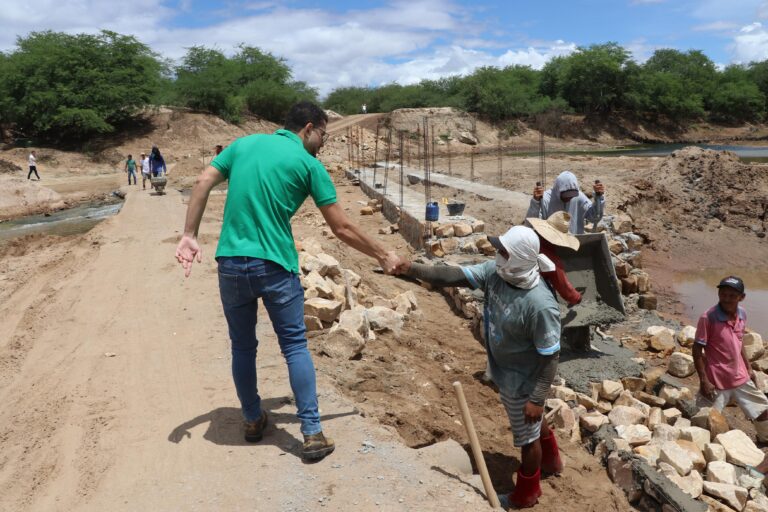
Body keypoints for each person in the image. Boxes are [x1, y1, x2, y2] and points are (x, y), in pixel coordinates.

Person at [175, 101, 401, 462]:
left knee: (242, 346)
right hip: (275, 265)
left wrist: (189, 234)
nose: (324, 143)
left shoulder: (244, 145)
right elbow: (341, 227)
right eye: (323, 134)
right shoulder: (309, 165)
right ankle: (311, 432)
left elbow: (203, 180)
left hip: (231, 263)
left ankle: (252, 419)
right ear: (308, 128)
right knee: (294, 346)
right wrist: (384, 254)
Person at [395, 226, 562, 508]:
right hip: (505, 371)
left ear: (519, 258)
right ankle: (553, 461)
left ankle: (527, 493)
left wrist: (536, 398)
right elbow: (454, 275)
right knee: (531, 424)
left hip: (524, 380)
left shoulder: (539, 305)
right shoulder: (497, 274)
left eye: (504, 251)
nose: (497, 255)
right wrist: (411, 268)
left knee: (526, 438)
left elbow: (550, 356)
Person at [693, 276, 768, 442]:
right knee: (704, 424)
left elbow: (738, 341)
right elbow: (697, 349)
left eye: (732, 296)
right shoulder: (708, 318)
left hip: (740, 376)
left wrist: (749, 368)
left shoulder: (742, 314)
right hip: (716, 380)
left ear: (742, 297)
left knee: (763, 411)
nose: (726, 299)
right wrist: (704, 380)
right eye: (723, 294)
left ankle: (764, 440)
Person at [526, 211, 582, 306]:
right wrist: (576, 298)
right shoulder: (550, 259)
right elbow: (563, 286)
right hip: (527, 288)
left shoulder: (528, 235)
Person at [527, 171, 605, 234]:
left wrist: (599, 198)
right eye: (566, 195)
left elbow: (594, 217)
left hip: (575, 242)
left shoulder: (578, 196)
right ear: (558, 190)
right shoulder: (546, 199)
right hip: (552, 243)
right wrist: (535, 202)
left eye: (571, 195)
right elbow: (531, 224)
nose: (569, 198)